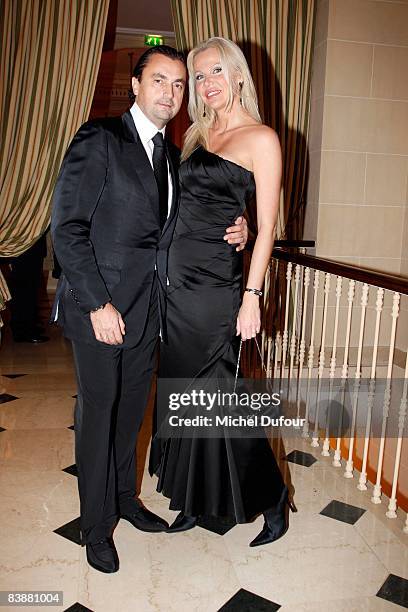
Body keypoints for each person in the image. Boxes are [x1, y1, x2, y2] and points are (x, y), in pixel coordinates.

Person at [51, 45, 248, 574]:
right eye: (160, 80)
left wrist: (241, 227)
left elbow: (183, 224)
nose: (171, 92)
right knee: (96, 416)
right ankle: (95, 528)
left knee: (130, 414)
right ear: (135, 85)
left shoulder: (172, 154)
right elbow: (67, 229)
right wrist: (97, 303)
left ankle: (123, 499)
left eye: (179, 85)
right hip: (100, 310)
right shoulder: (100, 138)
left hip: (147, 313)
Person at [149, 37, 296, 547]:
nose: (208, 84)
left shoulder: (263, 138)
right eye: (200, 76)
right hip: (177, 287)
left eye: (215, 72)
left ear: (236, 74)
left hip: (218, 289)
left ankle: (272, 495)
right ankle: (193, 499)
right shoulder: (195, 133)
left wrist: (252, 294)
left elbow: (269, 226)